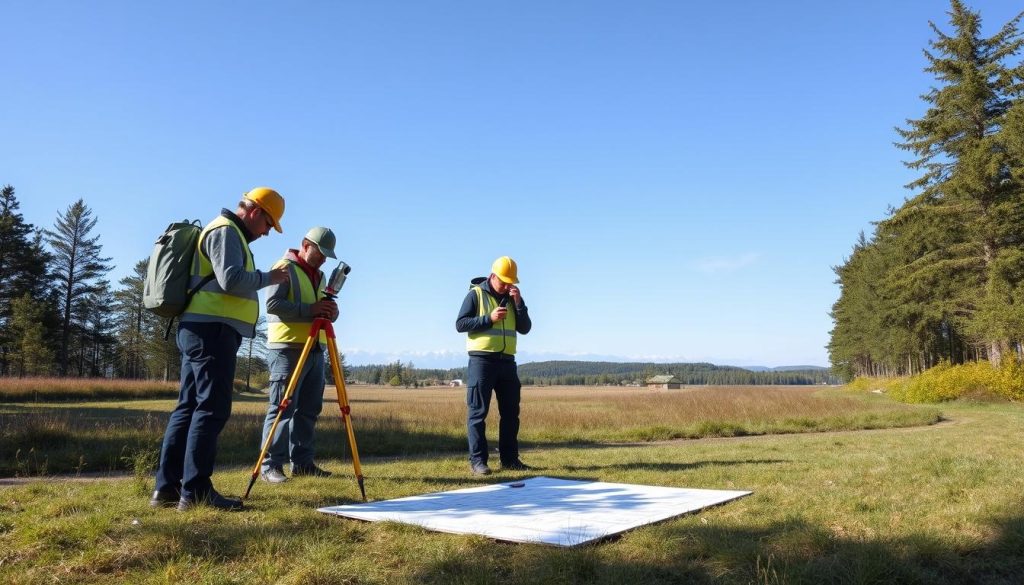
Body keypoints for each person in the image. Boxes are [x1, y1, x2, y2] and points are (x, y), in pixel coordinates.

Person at [150, 187, 288, 511]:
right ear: (255, 211)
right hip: (211, 331)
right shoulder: (226, 231)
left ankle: (167, 489)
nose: (268, 232)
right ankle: (195, 489)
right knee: (211, 409)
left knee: (188, 407)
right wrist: (271, 277)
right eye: (269, 224)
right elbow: (231, 279)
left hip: (201, 329)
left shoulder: (224, 231)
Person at [258, 227, 340, 483]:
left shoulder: (321, 275)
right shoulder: (284, 267)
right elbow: (273, 304)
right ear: (306, 245)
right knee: (282, 408)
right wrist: (311, 309)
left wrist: (330, 311)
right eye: (320, 252)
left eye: (327, 255)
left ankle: (302, 463)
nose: (324, 259)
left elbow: (320, 308)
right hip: (287, 348)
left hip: (316, 347)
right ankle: (271, 466)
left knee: (309, 409)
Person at [455, 256, 533, 475]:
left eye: (511, 282)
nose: (508, 286)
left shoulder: (512, 297)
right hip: (482, 361)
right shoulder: (475, 295)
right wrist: (488, 319)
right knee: (478, 413)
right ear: (493, 276)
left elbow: (525, 328)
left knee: (510, 413)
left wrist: (519, 304)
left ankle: (510, 460)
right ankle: (478, 462)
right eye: (504, 281)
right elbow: (460, 324)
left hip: (507, 362)